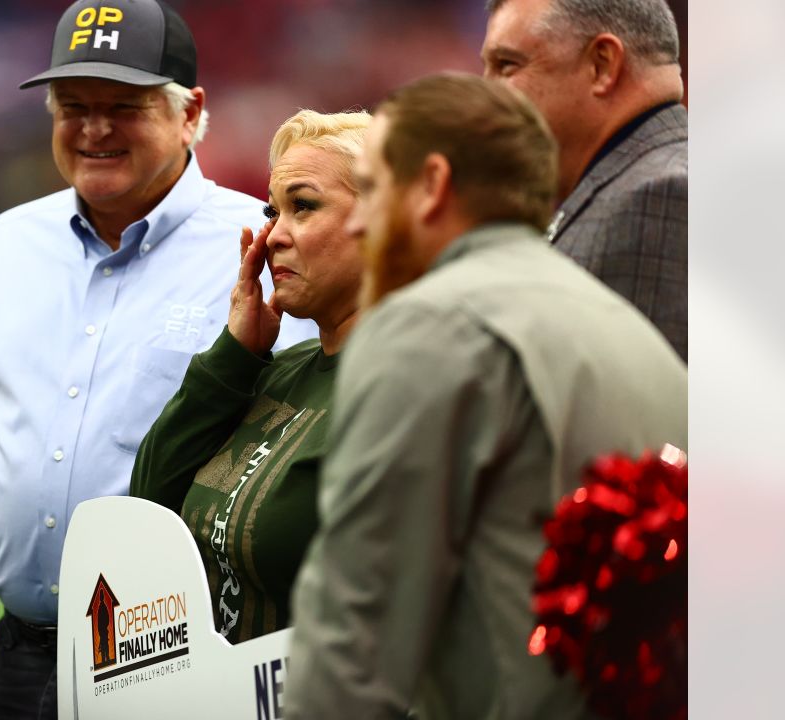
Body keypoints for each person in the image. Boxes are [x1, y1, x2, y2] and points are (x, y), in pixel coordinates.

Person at [0, 1, 313, 718]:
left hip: (183, 665)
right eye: (73, 105)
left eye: (124, 105)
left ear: (190, 111)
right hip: (15, 666)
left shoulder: (263, 254)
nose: (94, 127)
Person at [284, 73, 687, 719]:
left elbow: (357, 626)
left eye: (375, 190)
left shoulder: (427, 326)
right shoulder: (629, 329)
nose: (359, 221)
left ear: (433, 185)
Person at [130, 109, 370, 644]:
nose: (272, 237)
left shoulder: (416, 387)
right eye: (273, 211)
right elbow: (149, 504)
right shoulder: (274, 370)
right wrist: (234, 355)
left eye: (303, 207)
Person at [482, 0, 688, 360]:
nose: (484, 94)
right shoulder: (629, 183)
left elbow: (635, 411)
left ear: (602, 65)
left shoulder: (660, 195)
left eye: (506, 65)